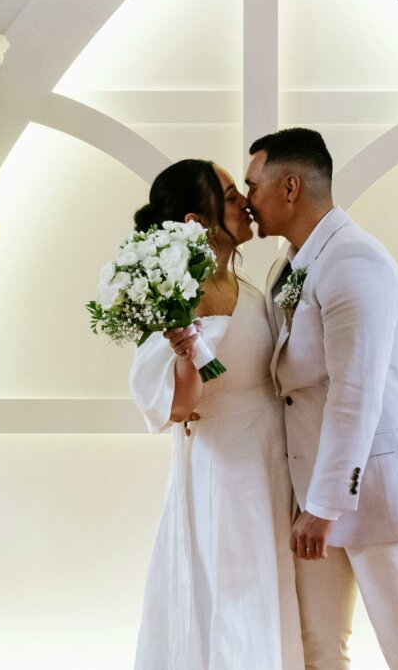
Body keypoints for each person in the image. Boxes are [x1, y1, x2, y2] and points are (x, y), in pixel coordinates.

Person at [244, 128, 398, 670]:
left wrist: (322, 506)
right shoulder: (289, 263)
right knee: (318, 649)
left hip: (376, 497)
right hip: (312, 497)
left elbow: (354, 396)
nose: (248, 201)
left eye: (253, 185)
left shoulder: (355, 261)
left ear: (290, 187)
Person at [128, 158, 303, 670]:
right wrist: (185, 357)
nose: (245, 203)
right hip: (224, 477)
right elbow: (178, 406)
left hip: (270, 466)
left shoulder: (252, 290)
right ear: (196, 222)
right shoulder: (180, 297)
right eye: (230, 197)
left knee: (268, 596)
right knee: (233, 601)